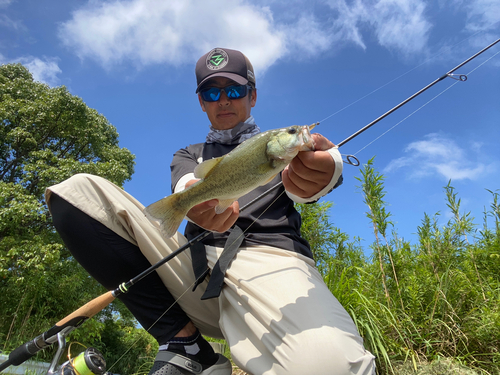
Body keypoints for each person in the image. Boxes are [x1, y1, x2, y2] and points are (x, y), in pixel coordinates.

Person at [45, 47, 376, 375]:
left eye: (234, 90)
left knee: (335, 367)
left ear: (253, 96)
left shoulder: (278, 148)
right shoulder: (188, 153)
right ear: (202, 102)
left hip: (272, 265)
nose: (224, 100)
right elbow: (189, 183)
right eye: (211, 92)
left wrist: (326, 170)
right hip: (193, 266)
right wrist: (192, 202)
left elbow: (303, 186)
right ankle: (186, 346)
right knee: (75, 192)